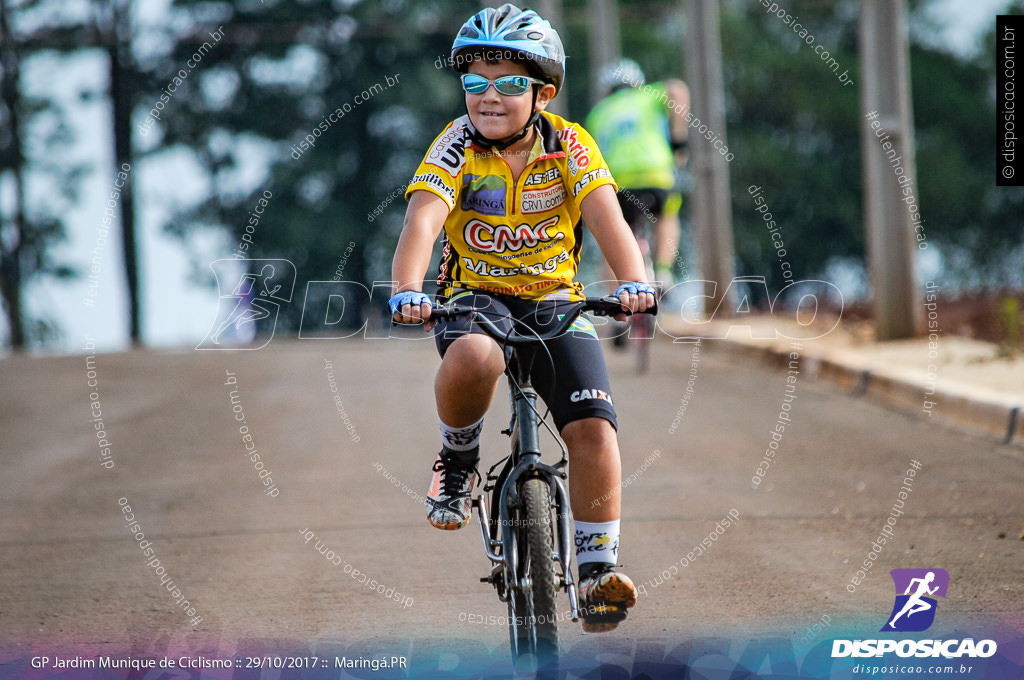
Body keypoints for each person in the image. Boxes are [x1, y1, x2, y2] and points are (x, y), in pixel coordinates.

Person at [388, 4, 655, 633]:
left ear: (543, 92)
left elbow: (606, 218)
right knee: (477, 355)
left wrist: (635, 282)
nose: (488, 97)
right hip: (473, 298)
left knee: (593, 425)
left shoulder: (570, 143)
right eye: (476, 82)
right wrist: (407, 288)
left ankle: (596, 573)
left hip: (555, 298)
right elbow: (423, 220)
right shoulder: (454, 146)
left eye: (508, 84)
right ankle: (456, 458)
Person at [585, 58, 690, 293]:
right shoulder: (649, 95)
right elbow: (677, 89)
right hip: (656, 174)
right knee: (666, 215)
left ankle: (614, 300)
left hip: (617, 182)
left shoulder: (598, 113)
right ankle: (663, 270)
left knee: (611, 234)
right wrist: (678, 141)